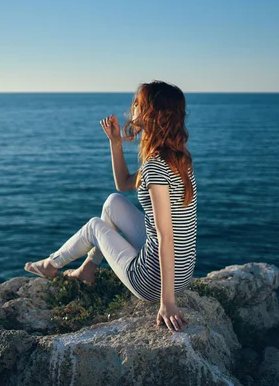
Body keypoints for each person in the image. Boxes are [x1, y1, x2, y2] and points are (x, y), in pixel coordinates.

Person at [25, 80, 197, 332]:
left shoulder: (155, 167)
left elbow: (165, 236)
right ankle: (88, 269)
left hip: (152, 281)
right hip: (182, 271)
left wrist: (167, 303)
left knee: (95, 225)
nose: (132, 109)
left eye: (137, 104)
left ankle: (51, 265)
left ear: (151, 114)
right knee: (113, 202)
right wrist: (115, 141)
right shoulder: (178, 158)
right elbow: (123, 184)